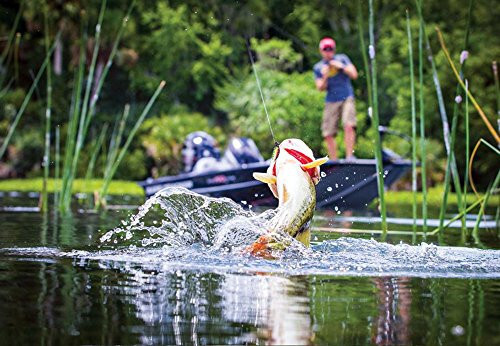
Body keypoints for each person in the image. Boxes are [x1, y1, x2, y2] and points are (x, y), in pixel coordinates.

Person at [313, 37, 358, 160]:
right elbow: (320, 87)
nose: (328, 51)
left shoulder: (342, 59)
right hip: (331, 100)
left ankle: (350, 156)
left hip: (346, 97)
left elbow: (354, 74)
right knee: (328, 133)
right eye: (325, 49)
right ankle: (334, 161)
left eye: (330, 49)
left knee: (349, 125)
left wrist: (341, 67)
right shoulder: (318, 67)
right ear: (321, 51)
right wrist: (325, 76)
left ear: (334, 49)